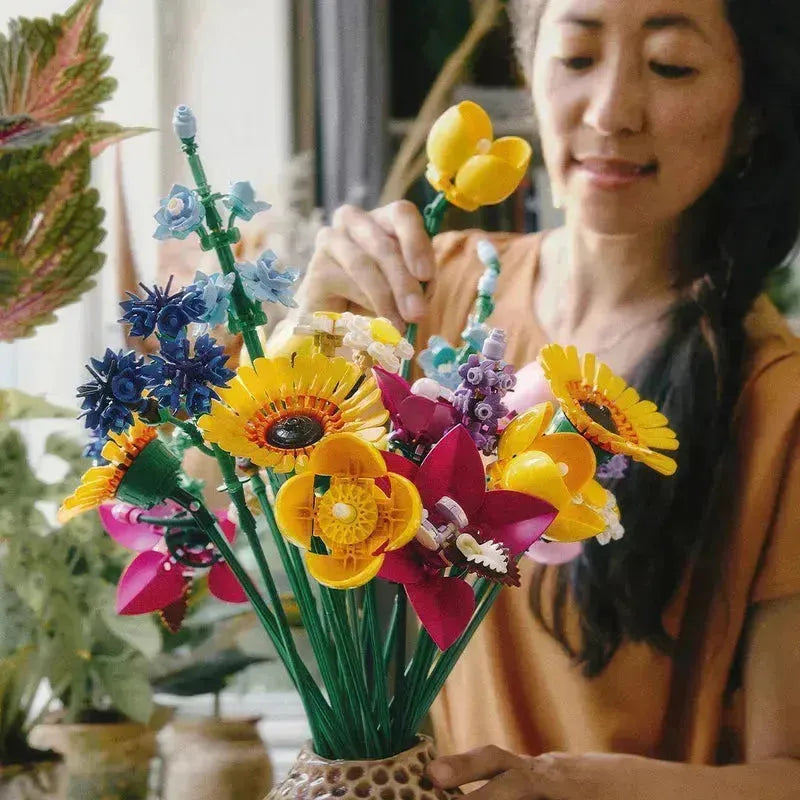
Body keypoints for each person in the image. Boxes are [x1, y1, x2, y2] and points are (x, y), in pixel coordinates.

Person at [269, 0, 800, 795]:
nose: (611, 111)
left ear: (752, 110)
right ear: (530, 71)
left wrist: (574, 785)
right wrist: (308, 322)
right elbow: (225, 503)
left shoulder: (774, 404)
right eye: (579, 57)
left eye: (671, 67)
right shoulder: (430, 292)